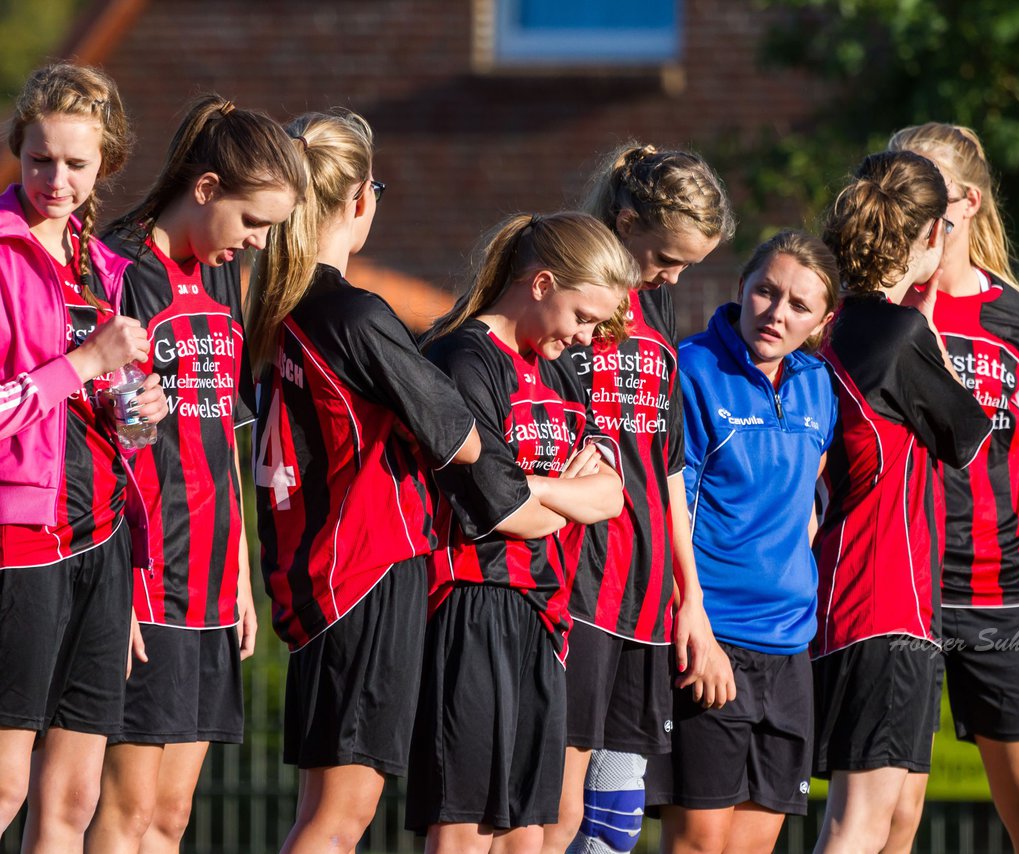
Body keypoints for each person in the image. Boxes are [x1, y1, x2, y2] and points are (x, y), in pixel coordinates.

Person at [247, 109, 483, 852]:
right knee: (339, 819)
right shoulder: (351, 312)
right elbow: (463, 438)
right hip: (367, 571)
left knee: (323, 812)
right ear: (358, 200)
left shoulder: (281, 310)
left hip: (322, 574)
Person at [86, 96, 305, 854]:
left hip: (212, 575)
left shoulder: (223, 278)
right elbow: (107, 442)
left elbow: (224, 434)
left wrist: (241, 573)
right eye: (252, 222)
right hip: (145, 575)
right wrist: (117, 586)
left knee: (173, 815)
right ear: (206, 189)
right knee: (124, 812)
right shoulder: (119, 268)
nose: (256, 243)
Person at [409, 210, 632, 854]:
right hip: (469, 604)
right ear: (540, 285)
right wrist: (555, 493)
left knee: (529, 834)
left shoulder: (558, 368)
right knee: (466, 827)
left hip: (542, 609)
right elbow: (503, 512)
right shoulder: (461, 357)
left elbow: (610, 495)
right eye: (583, 316)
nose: (588, 337)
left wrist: (528, 485)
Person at [887, 122, 1019, 853]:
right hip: (898, 586)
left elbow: (1013, 447)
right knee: (892, 822)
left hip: (1001, 589)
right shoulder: (867, 312)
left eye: (922, 184)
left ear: (966, 202)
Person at [545, 143, 737, 854]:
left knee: (616, 824)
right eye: (666, 257)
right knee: (555, 818)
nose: (673, 276)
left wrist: (692, 600)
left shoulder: (655, 305)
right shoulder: (560, 290)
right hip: (575, 587)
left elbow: (667, 465)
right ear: (624, 222)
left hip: (645, 591)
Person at [0, 63, 167, 850]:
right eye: (40, 160)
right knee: (6, 778)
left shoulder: (109, 272)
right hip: (19, 542)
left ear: (106, 165)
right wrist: (87, 364)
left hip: (102, 540)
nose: (56, 180)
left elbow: (122, 425)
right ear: (17, 153)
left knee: (72, 796)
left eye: (76, 163)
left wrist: (142, 413)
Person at [811, 150, 993, 854]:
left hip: (848, 597)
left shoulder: (829, 325)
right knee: (863, 823)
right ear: (929, 237)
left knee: (889, 821)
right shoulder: (901, 335)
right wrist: (933, 335)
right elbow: (968, 439)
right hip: (885, 602)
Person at [645, 231, 838, 854]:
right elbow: (671, 502)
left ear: (822, 321)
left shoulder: (818, 385)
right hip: (712, 637)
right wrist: (691, 617)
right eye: (766, 292)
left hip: (789, 651)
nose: (777, 313)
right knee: (699, 844)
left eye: (799, 306)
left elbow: (808, 502)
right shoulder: (692, 369)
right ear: (741, 289)